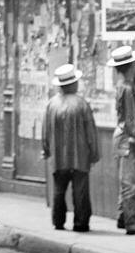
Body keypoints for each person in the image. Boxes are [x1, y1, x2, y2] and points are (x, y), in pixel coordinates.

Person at [42, 63, 99, 232]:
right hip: (80, 155)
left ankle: (58, 221)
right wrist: (94, 153)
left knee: (59, 189)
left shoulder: (51, 105)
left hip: (58, 156)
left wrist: (46, 150)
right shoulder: (81, 104)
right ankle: (81, 223)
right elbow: (91, 132)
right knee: (80, 190)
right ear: (73, 84)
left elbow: (45, 131)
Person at [110, 45, 135, 234]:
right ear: (131, 66)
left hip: (122, 138)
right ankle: (131, 222)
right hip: (128, 140)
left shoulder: (124, 85)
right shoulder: (128, 88)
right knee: (130, 182)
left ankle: (122, 217)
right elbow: (132, 118)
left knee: (126, 180)